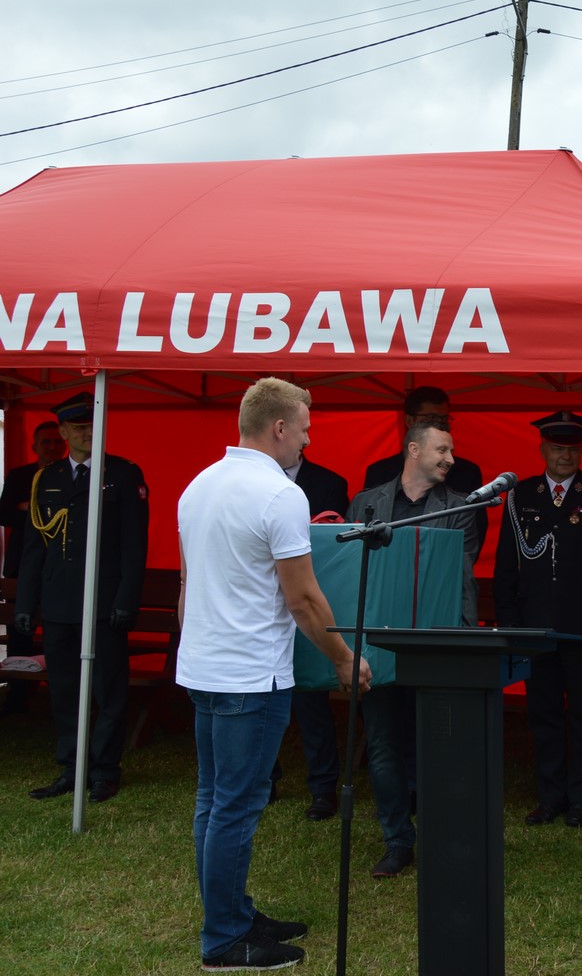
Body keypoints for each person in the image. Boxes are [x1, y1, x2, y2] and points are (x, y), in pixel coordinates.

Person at [176, 377, 372, 970]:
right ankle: (224, 939)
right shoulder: (281, 494)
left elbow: (188, 586)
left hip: (205, 666)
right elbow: (304, 599)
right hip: (249, 674)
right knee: (234, 806)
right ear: (280, 428)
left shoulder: (198, 485)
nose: (308, 442)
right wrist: (344, 658)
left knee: (214, 800)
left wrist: (197, 650)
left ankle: (231, 913)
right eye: (305, 430)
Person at [347, 419, 486, 878]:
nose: (451, 459)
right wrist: (351, 645)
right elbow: (354, 576)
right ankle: (397, 840)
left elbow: (460, 578)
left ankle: (440, 835)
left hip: (433, 642)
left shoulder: (461, 507)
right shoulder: (366, 503)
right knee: (382, 745)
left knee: (436, 743)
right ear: (413, 450)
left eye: (451, 451)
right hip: (379, 643)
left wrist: (461, 642)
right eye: (442, 450)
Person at [15, 392, 149, 803]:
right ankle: (72, 768)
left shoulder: (122, 474)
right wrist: (25, 603)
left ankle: (104, 770)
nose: (88, 433)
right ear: (63, 432)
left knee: (109, 690)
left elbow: (134, 545)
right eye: (78, 427)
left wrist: (126, 599)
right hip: (59, 601)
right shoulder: (48, 477)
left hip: (104, 602)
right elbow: (35, 547)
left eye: (93, 425)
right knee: (64, 690)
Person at [494, 410, 582, 828]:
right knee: (543, 714)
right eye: (557, 448)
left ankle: (581, 799)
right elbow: (507, 564)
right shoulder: (521, 495)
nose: (565, 456)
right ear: (542, 449)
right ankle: (550, 797)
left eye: (573, 448)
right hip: (536, 626)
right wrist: (510, 622)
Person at [284, 452, 351, 821]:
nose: (307, 438)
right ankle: (264, 781)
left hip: (310, 600)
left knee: (310, 700)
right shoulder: (249, 483)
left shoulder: (329, 483)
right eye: (303, 429)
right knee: (261, 697)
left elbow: (336, 550)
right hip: (262, 607)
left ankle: (323, 788)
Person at [1, 420, 66, 713]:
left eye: (56, 441)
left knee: (60, 630)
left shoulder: (72, 475)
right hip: (20, 566)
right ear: (34, 446)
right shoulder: (20, 475)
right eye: (45, 442)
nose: (51, 447)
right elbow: (4, 513)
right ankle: (18, 695)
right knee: (19, 632)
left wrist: (29, 509)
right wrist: (40, 514)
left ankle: (60, 694)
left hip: (60, 566)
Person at [363, 385, 483, 493]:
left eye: (444, 418)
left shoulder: (467, 472)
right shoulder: (380, 472)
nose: (439, 424)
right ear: (409, 421)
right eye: (431, 418)